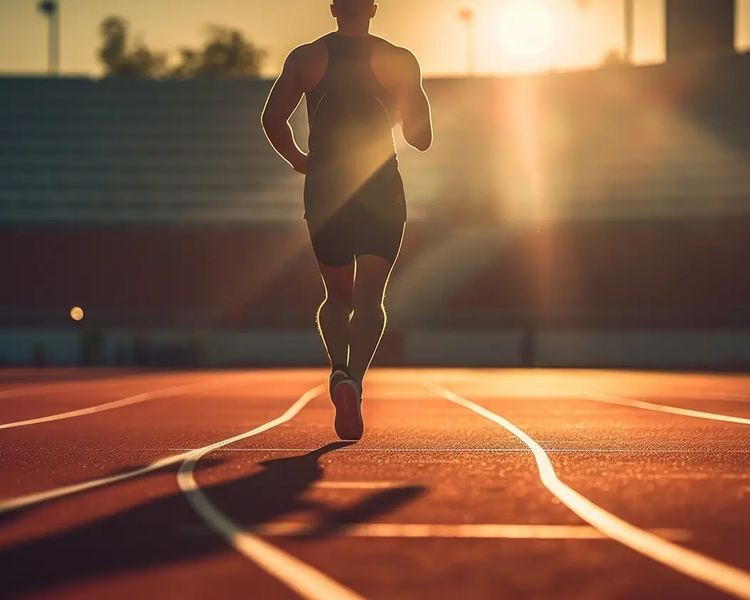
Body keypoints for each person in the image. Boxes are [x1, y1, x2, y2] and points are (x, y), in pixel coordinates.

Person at [261, 0, 432, 440]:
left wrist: (301, 160)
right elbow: (421, 138)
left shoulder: (306, 57)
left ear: (334, 8)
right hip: (379, 188)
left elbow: (272, 119)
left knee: (337, 295)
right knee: (371, 295)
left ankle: (338, 373)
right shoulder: (398, 60)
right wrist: (401, 107)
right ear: (373, 9)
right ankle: (355, 378)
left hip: (326, 187)